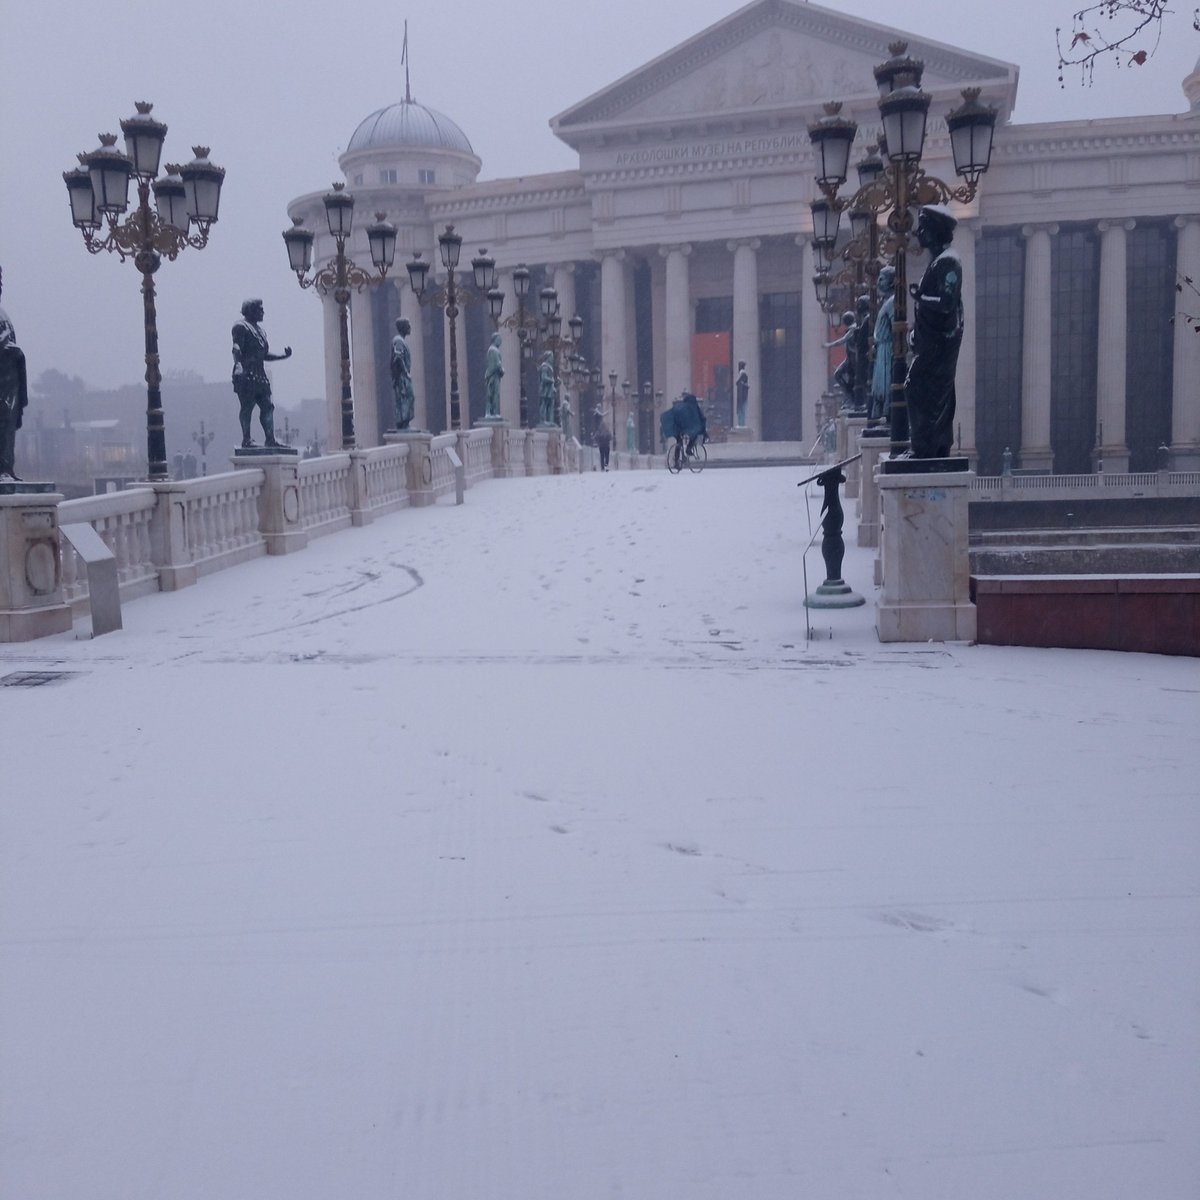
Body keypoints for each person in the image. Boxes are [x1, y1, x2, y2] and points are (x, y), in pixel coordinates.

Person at [905, 204, 964, 459]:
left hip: (942, 341)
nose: (918, 232)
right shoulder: (940, 261)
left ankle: (926, 447)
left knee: (919, 387)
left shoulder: (949, 262)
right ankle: (933, 444)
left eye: (924, 227)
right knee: (935, 392)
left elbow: (947, 303)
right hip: (933, 339)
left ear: (937, 231)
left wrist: (920, 298)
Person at [232, 298, 291, 448]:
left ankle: (270, 439)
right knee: (247, 406)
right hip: (246, 372)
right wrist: (238, 365)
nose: (263, 312)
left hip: (260, 373)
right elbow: (237, 347)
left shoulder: (261, 331)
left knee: (267, 406)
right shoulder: (241, 326)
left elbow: (264, 355)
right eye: (260, 309)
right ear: (251, 310)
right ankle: (247, 439)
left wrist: (282, 356)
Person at [0, 268, 29, 480]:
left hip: (9, 384)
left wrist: (14, 354)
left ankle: (5, 468)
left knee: (6, 425)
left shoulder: (4, 318)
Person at [869, 266, 896, 424]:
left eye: (882, 278)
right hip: (881, 349)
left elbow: (896, 327)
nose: (878, 281)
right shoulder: (887, 302)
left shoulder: (892, 302)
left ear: (892, 282)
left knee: (885, 387)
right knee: (880, 388)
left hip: (887, 350)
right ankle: (885, 417)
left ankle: (888, 417)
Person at [823, 310, 859, 411]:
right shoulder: (851, 329)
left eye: (844, 320)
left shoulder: (853, 328)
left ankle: (851, 397)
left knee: (848, 378)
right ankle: (850, 395)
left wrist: (829, 345)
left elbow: (843, 340)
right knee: (838, 374)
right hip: (849, 359)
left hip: (854, 361)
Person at [390, 317, 415, 429]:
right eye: (408, 325)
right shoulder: (399, 340)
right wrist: (405, 372)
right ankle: (403, 423)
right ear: (403, 327)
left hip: (401, 376)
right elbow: (398, 357)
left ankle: (404, 423)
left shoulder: (400, 340)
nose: (410, 327)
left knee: (406, 398)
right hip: (401, 377)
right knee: (406, 398)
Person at [483, 331, 503, 419]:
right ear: (495, 340)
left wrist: (500, 369)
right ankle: (489, 412)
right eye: (499, 340)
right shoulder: (492, 350)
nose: (500, 342)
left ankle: (493, 412)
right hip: (492, 375)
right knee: (491, 394)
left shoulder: (495, 350)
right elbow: (493, 364)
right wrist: (499, 368)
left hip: (495, 374)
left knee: (495, 394)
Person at [538, 351, 557, 425]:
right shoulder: (545, 366)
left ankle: (549, 421)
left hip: (550, 389)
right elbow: (543, 378)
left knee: (550, 405)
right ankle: (543, 421)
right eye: (551, 357)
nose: (552, 358)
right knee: (544, 404)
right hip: (545, 389)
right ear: (547, 358)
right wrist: (551, 380)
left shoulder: (549, 366)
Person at [735, 360, 749, 427]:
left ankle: (741, 424)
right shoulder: (741, 375)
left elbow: (743, 385)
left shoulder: (743, 375)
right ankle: (741, 424)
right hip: (741, 396)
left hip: (742, 396)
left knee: (741, 410)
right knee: (741, 410)